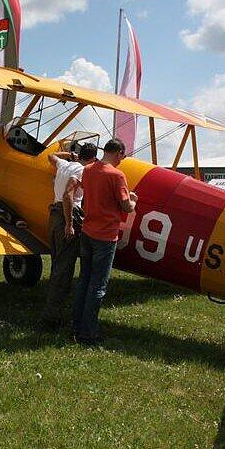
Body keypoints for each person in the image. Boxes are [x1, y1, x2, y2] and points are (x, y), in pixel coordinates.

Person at [71, 138, 137, 345]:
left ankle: (76, 324)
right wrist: (133, 199)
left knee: (84, 280)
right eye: (122, 157)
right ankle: (87, 333)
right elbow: (127, 207)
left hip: (87, 231)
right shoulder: (117, 175)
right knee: (98, 286)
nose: (121, 161)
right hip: (106, 236)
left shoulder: (88, 170)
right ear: (118, 153)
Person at [41, 142, 98, 329]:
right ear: (92, 159)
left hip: (54, 215)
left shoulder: (64, 164)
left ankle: (52, 309)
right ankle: (52, 318)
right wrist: (69, 224)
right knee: (64, 269)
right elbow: (68, 195)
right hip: (68, 215)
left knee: (58, 264)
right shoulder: (82, 171)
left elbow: (51, 156)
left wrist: (70, 155)